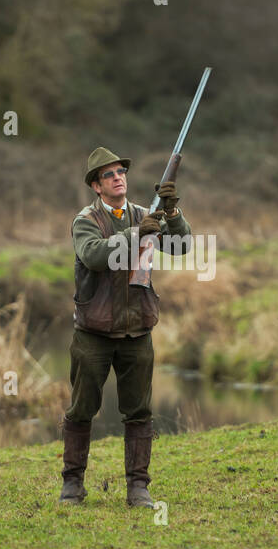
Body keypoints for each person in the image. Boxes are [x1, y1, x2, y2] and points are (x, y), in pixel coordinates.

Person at [59, 146, 192, 508]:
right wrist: (138, 234)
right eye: (109, 175)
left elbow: (182, 246)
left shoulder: (144, 214)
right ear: (96, 186)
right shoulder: (85, 220)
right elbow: (95, 255)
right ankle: (72, 486)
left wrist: (172, 213)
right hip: (94, 333)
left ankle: (138, 488)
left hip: (137, 330)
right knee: (82, 409)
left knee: (139, 412)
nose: (119, 178)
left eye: (121, 172)